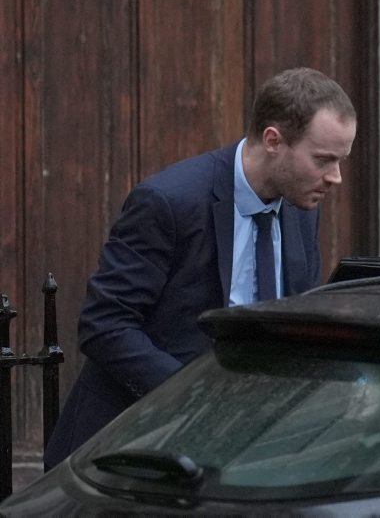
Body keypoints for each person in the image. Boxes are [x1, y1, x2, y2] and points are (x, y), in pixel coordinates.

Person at [44, 67, 357, 468]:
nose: (335, 177)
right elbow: (105, 324)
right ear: (273, 140)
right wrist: (196, 399)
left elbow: (296, 322)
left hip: (245, 451)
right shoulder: (169, 201)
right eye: (323, 160)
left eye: (340, 161)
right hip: (130, 450)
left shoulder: (301, 206)